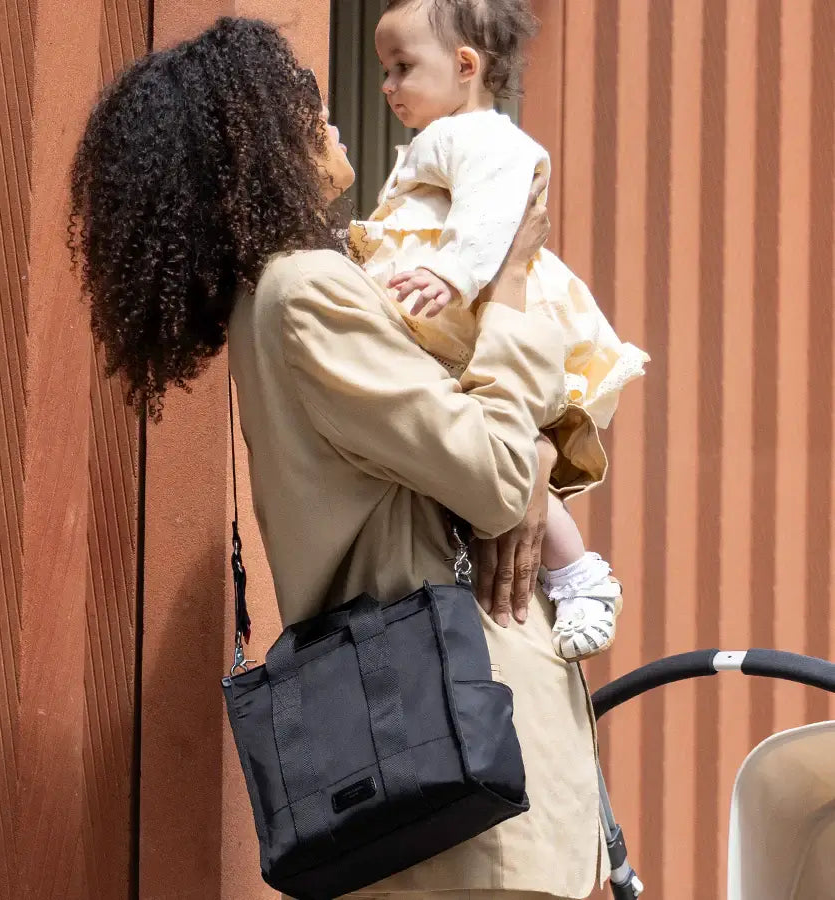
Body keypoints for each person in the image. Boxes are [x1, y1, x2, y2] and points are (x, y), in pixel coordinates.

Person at [70, 16, 608, 899]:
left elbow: (491, 458)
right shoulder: (306, 292)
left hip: (456, 771)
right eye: (302, 108)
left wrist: (535, 453)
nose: (331, 117)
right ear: (253, 146)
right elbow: (495, 473)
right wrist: (509, 284)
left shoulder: (287, 294)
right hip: (468, 786)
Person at [350, 0, 649, 662]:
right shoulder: (440, 140)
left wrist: (454, 271)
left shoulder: (479, 136)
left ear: (465, 66)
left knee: (512, 456)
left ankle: (579, 574)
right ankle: (564, 574)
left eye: (402, 68)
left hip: (475, 315)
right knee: (493, 459)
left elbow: (494, 209)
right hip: (455, 320)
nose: (387, 86)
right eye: (383, 70)